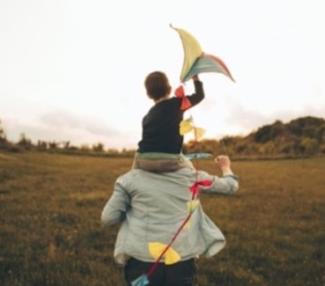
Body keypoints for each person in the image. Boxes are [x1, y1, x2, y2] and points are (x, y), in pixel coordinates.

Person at [101, 155, 239, 286]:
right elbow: (231, 186)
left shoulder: (129, 180)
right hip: (181, 261)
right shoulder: (193, 176)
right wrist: (225, 166)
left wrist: (133, 211)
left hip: (141, 261)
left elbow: (108, 218)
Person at [133, 71, 204, 172]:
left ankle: (133, 176)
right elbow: (199, 95)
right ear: (169, 89)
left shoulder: (146, 117)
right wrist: (195, 78)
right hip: (168, 161)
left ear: (148, 94)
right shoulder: (177, 104)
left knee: (139, 156)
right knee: (190, 167)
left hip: (143, 160)